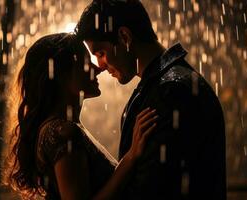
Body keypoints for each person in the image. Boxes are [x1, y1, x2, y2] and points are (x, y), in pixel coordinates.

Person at [75, 0, 226, 199]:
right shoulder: (170, 84)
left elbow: (151, 189)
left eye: (101, 53)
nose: (101, 66)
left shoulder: (170, 92)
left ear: (124, 37)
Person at [4, 33, 158, 199]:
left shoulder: (61, 130)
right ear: (61, 75)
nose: (98, 69)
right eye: (86, 63)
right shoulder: (62, 133)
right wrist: (131, 158)